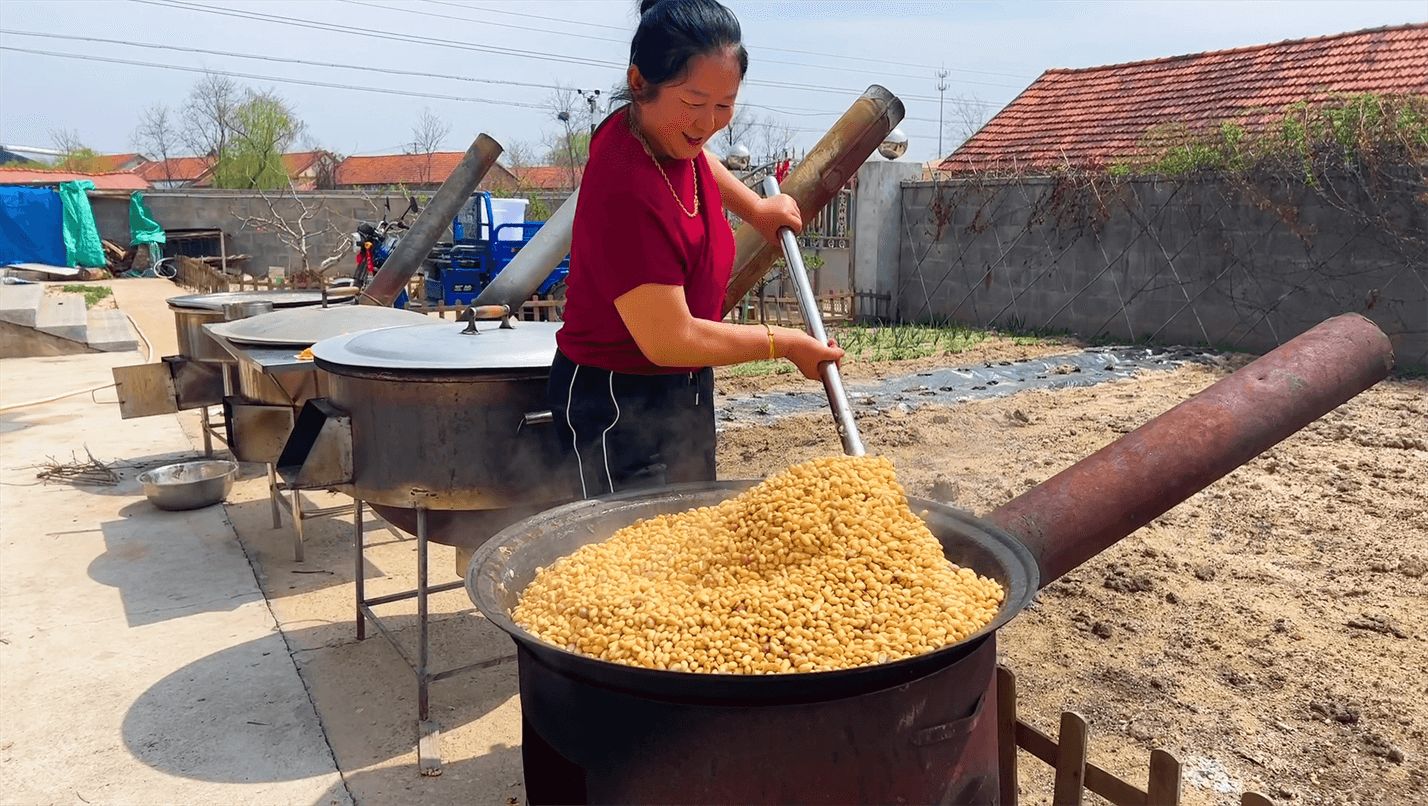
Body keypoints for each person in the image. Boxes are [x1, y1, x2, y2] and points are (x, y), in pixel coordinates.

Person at [551, 0, 844, 500]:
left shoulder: (663, 135)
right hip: (617, 399)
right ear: (639, 83)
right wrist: (785, 343)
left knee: (693, 535)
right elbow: (670, 338)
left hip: (683, 385)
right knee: (628, 556)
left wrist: (754, 207)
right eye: (693, 102)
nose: (707, 123)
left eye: (724, 105)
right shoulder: (626, 184)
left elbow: (702, 159)